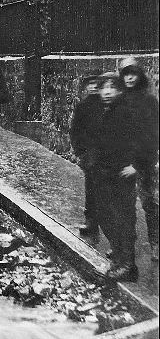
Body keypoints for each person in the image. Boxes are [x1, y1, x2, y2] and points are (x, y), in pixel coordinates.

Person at [92, 72, 144, 281]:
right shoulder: (105, 111)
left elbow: (146, 138)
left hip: (122, 174)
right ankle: (118, 260)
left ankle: (128, 266)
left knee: (124, 219)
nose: (106, 92)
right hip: (105, 174)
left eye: (111, 88)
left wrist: (137, 166)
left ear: (120, 90)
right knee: (106, 216)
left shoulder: (127, 111)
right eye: (103, 87)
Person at [119, 57, 159, 261]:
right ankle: (124, 246)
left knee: (149, 202)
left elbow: (151, 136)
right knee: (124, 206)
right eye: (126, 74)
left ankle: (155, 243)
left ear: (139, 75)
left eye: (133, 73)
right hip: (124, 162)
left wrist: (139, 165)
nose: (130, 78)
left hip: (143, 162)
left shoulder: (149, 101)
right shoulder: (121, 100)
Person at [69, 73, 103, 237]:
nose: (94, 86)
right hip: (89, 155)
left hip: (104, 153)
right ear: (86, 87)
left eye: (97, 83)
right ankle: (91, 223)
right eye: (90, 84)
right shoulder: (82, 106)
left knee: (107, 193)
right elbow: (75, 130)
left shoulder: (105, 104)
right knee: (91, 190)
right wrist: (79, 152)